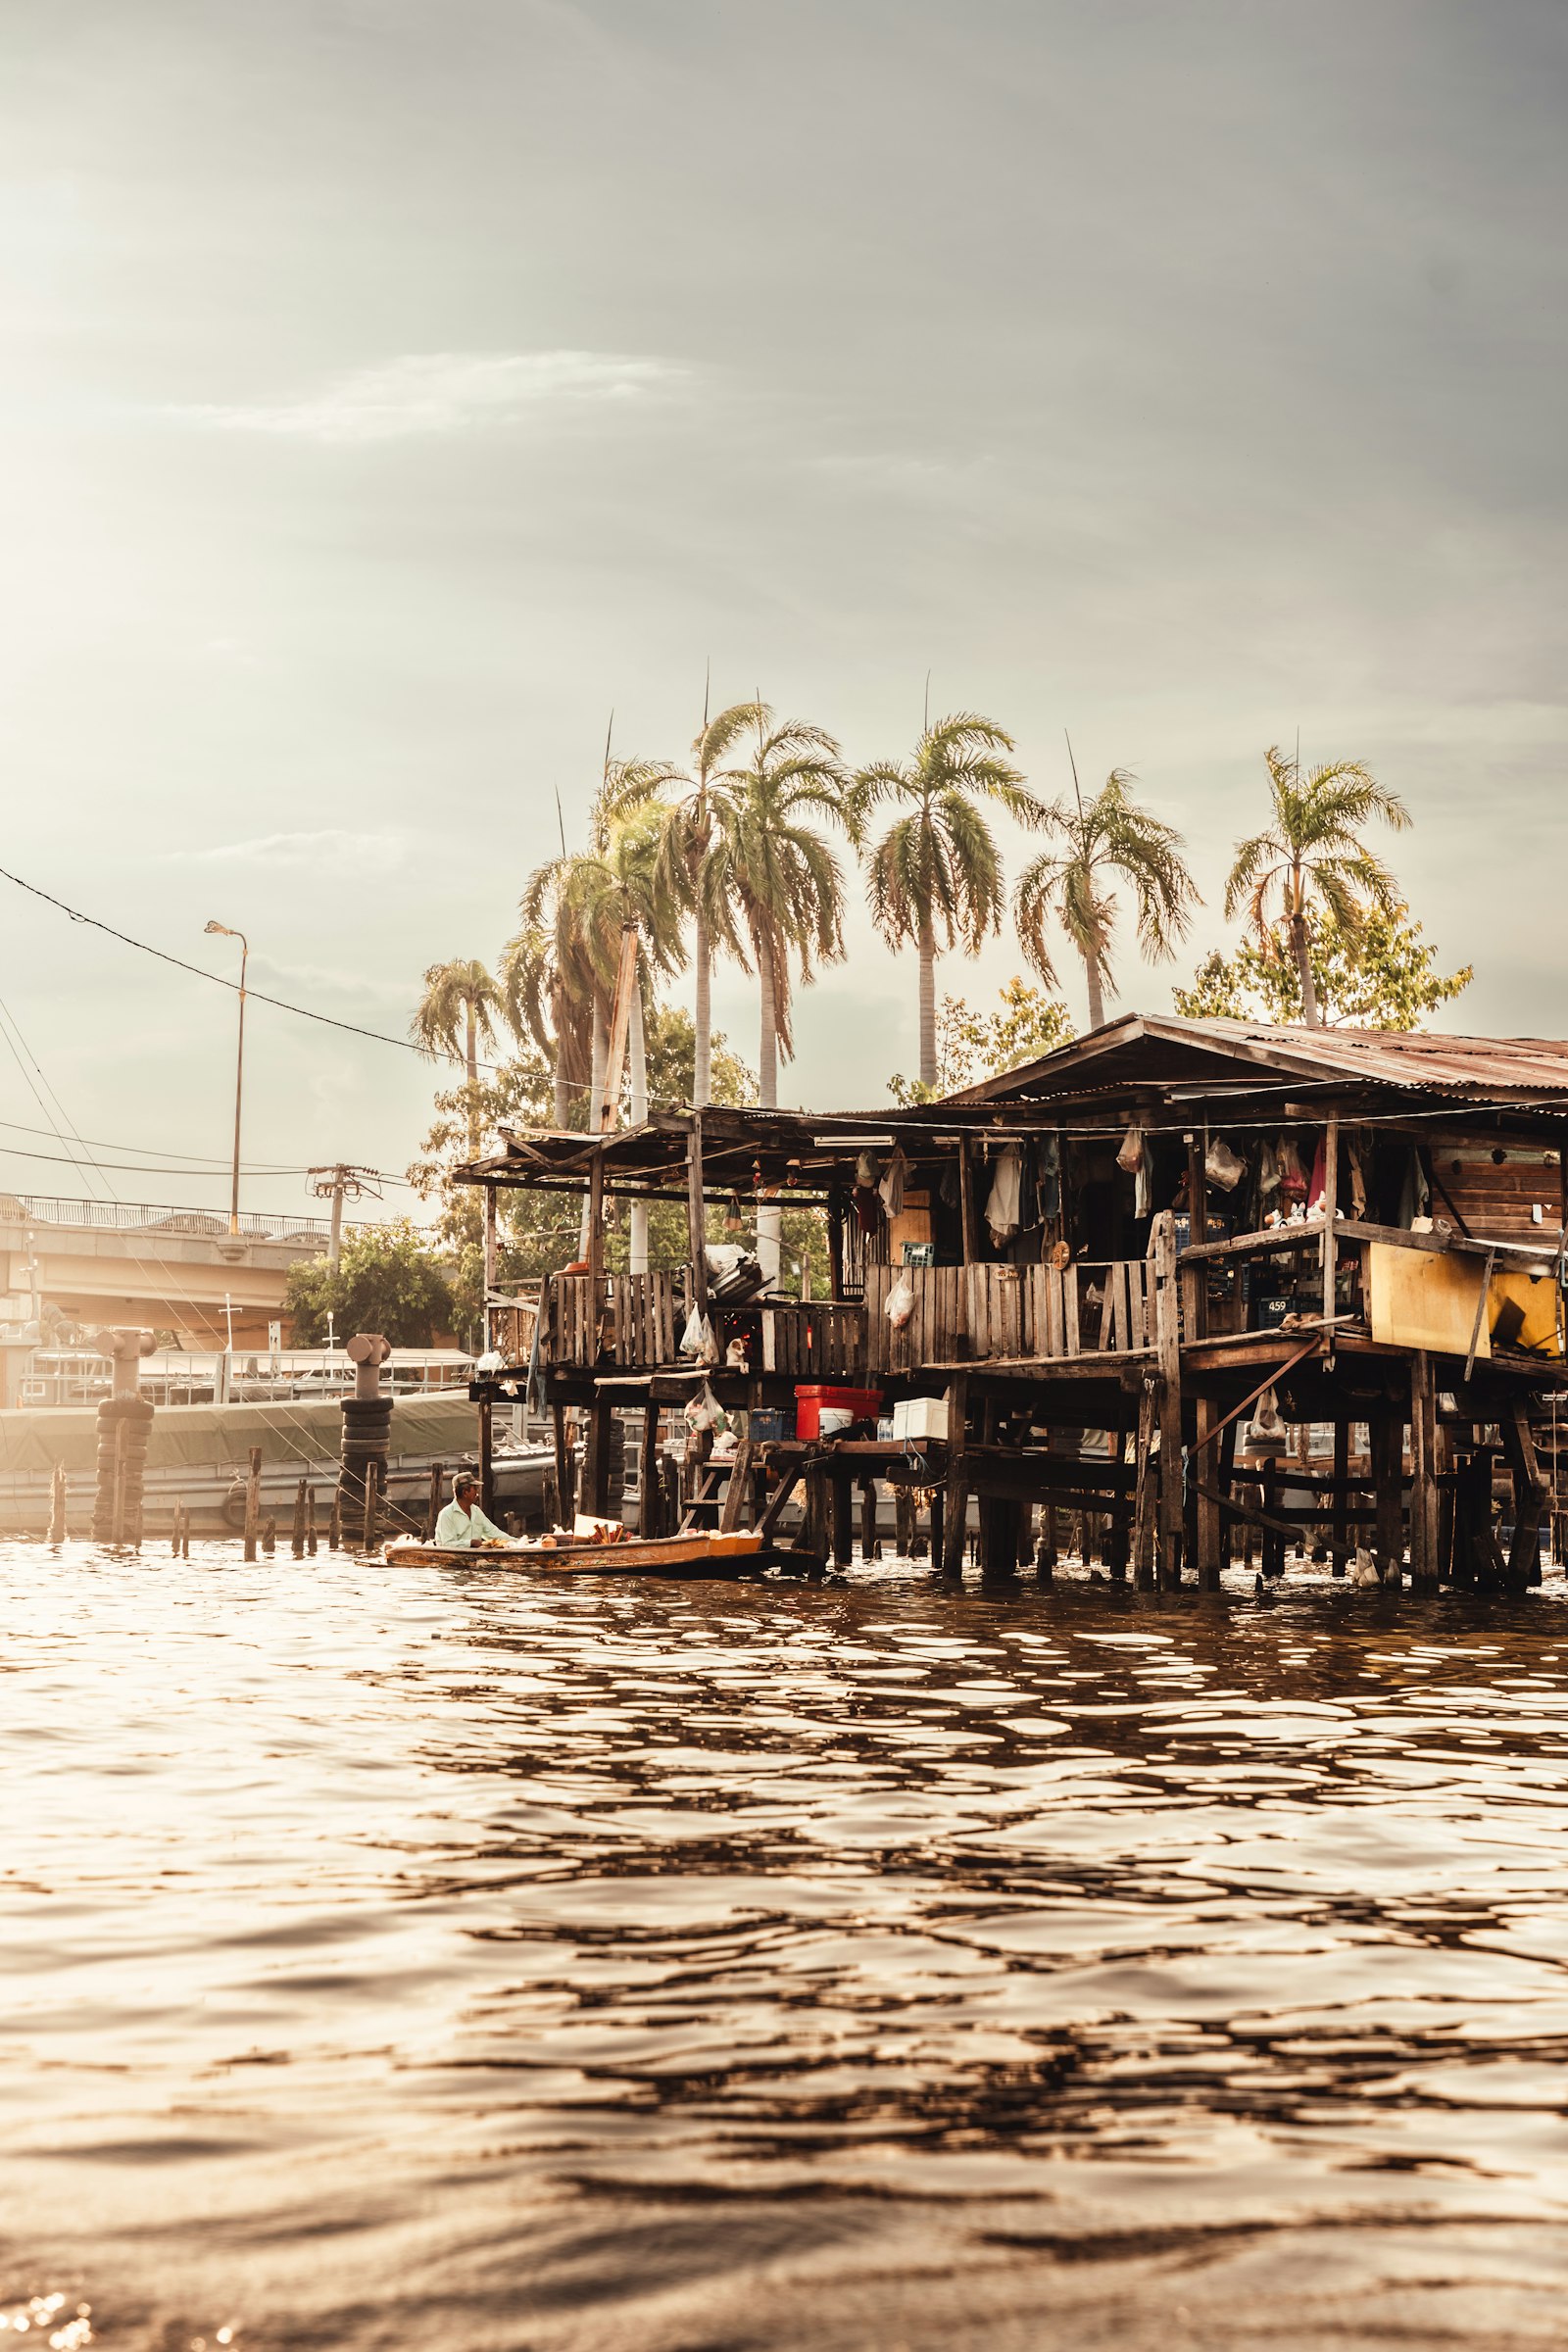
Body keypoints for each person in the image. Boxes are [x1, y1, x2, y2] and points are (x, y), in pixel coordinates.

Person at [434, 1472, 509, 1549]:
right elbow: (446, 1544)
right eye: (475, 1489)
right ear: (465, 1492)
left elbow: (493, 1533)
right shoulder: (446, 1514)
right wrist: (471, 1543)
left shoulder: (476, 1511)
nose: (477, 1493)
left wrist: (517, 1541)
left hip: (476, 1559)